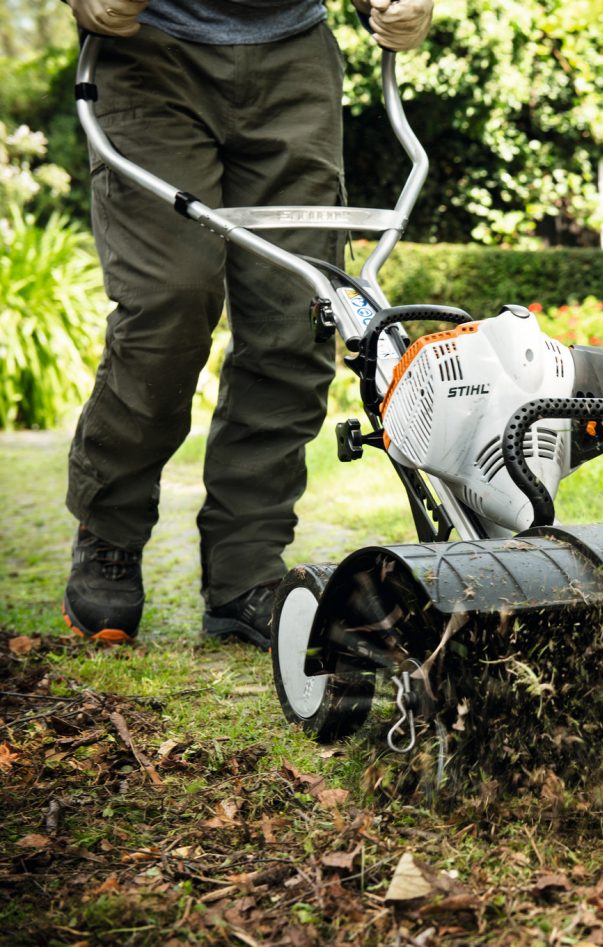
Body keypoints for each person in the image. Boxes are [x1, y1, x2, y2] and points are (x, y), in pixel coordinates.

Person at [61, 0, 432, 648]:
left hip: (293, 53)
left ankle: (246, 569)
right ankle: (110, 530)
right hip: (150, 46)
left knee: (297, 318)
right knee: (168, 308)